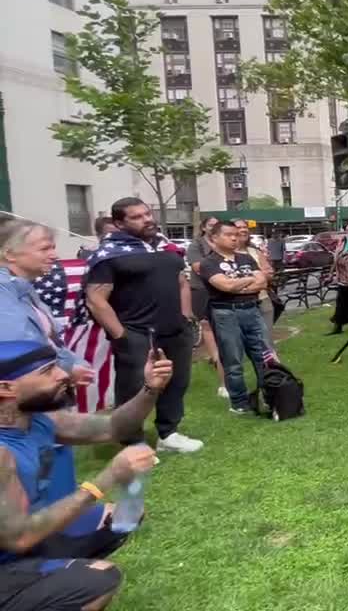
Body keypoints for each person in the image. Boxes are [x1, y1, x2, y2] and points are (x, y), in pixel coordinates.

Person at [0, 339, 169, 611]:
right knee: (100, 579)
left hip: (26, 541)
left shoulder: (37, 420)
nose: (63, 375)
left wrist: (150, 388)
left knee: (125, 514)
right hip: (12, 555)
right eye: (47, 371)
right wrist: (106, 478)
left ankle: (51, 575)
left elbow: (114, 427)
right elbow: (19, 537)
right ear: (5, 388)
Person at [83, 199, 202, 454]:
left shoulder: (166, 248)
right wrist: (121, 335)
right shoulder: (109, 255)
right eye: (136, 217)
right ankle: (132, 442)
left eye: (147, 214)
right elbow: (95, 299)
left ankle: (168, 434)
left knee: (177, 382)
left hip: (174, 330)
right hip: (136, 333)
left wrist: (185, 317)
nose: (147, 219)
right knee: (134, 388)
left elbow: (181, 282)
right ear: (119, 223)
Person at [0, 220, 95, 385]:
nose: (55, 255)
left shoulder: (24, 288)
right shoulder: (4, 290)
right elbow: (22, 347)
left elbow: (52, 340)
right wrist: (67, 368)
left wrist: (74, 364)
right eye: (44, 249)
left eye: (53, 247)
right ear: (10, 254)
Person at [199, 221, 273, 415]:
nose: (234, 238)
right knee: (233, 359)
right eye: (228, 235)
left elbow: (262, 282)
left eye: (235, 234)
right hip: (225, 312)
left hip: (252, 309)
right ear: (214, 238)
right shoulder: (209, 263)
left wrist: (239, 284)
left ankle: (268, 394)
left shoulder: (246, 258)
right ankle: (239, 402)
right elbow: (226, 286)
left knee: (262, 355)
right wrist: (248, 281)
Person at [187, 216, 228, 400]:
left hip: (222, 289)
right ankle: (215, 357)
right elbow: (198, 267)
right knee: (208, 326)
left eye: (216, 225)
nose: (213, 228)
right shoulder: (196, 245)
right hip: (202, 290)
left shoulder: (224, 243)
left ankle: (221, 359)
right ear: (203, 228)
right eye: (210, 225)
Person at [235, 224, 275, 332]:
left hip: (262, 299)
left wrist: (251, 279)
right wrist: (257, 277)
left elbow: (269, 273)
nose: (243, 230)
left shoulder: (254, 251)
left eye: (245, 227)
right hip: (238, 305)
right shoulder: (224, 254)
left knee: (266, 339)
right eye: (239, 227)